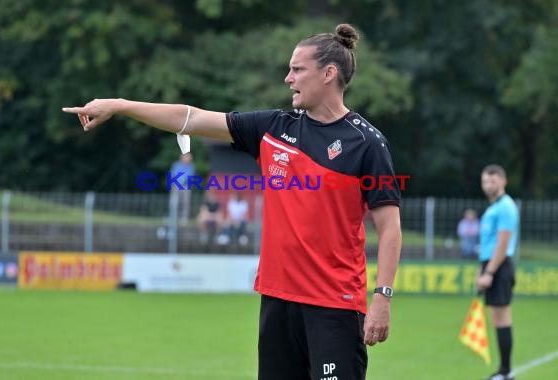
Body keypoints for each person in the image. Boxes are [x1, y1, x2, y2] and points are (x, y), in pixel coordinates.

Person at [63, 23, 402, 380]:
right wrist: (120, 105)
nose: (288, 78)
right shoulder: (273, 127)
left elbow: (390, 228)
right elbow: (189, 118)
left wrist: (382, 297)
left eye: (297, 69)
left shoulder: (367, 143)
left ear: (329, 74)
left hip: (334, 306)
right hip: (277, 300)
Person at [476, 164, 519, 380]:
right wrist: (481, 270)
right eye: (485, 181)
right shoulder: (493, 207)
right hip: (491, 265)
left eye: (492, 180)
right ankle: (504, 370)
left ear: (503, 181)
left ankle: (505, 371)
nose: (488, 185)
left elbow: (502, 244)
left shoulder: (506, 207)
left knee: (502, 318)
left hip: (499, 267)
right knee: (497, 319)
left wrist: (489, 272)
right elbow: (487, 244)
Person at [169, 152, 196, 225]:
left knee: (185, 202)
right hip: (176, 184)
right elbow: (174, 173)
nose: (188, 159)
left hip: (186, 186)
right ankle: (173, 217)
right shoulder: (176, 164)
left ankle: (184, 218)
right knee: (175, 201)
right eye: (187, 157)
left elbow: (189, 175)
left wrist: (182, 180)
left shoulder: (191, 166)